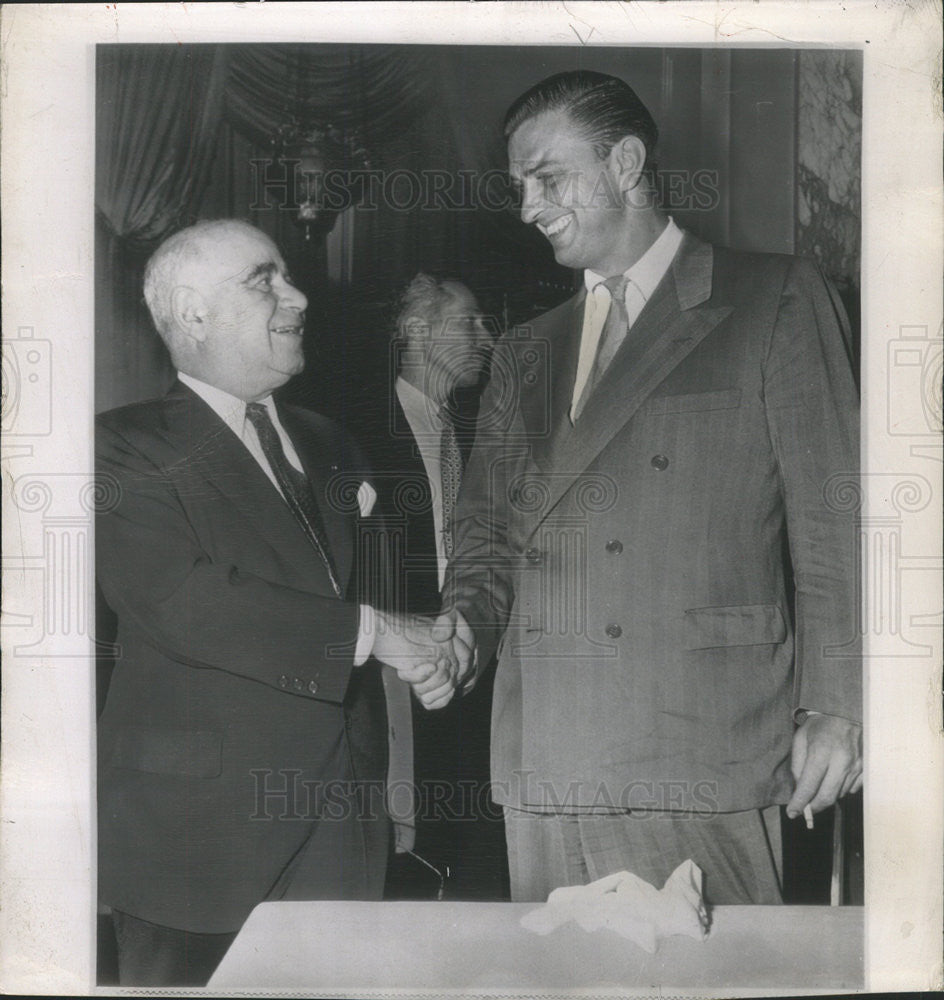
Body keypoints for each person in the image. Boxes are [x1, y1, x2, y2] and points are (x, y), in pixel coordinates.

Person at [437, 71, 862, 905]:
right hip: (545, 761)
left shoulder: (772, 298)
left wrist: (839, 705)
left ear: (626, 162)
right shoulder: (525, 351)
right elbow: (486, 534)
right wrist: (463, 626)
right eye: (519, 186)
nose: (527, 208)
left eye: (547, 178)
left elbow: (836, 521)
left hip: (700, 747)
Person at [96, 219, 461, 985]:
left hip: (345, 831)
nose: (297, 295)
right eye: (264, 279)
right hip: (197, 842)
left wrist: (438, 653)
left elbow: (385, 605)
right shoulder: (121, 447)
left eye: (288, 276)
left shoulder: (335, 443)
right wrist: (373, 634)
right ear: (192, 313)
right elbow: (184, 600)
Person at [356, 273, 506, 898]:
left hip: (479, 662)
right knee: (408, 851)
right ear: (418, 330)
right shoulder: (353, 432)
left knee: (475, 842)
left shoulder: (489, 430)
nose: (488, 336)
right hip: (393, 679)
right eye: (470, 321)